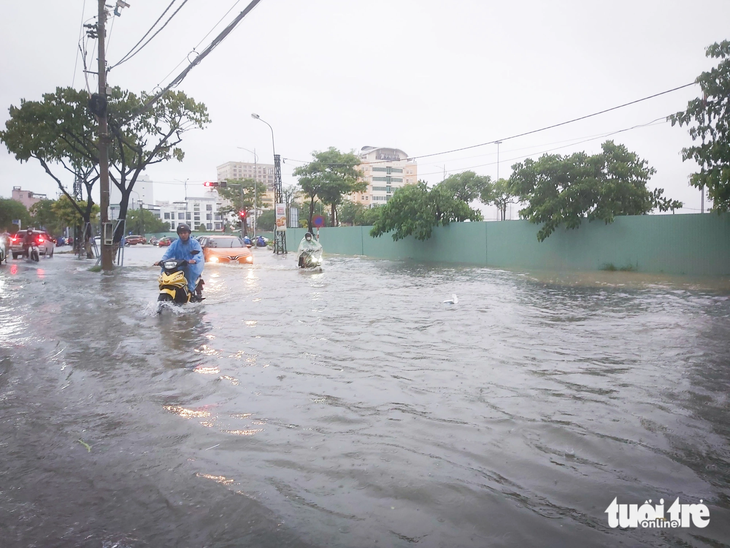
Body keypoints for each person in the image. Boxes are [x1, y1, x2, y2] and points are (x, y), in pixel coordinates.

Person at [156, 224, 205, 297]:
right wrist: (161, 261)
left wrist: (194, 260)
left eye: (185, 233)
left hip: (191, 266)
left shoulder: (194, 243)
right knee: (165, 269)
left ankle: (190, 291)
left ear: (189, 233)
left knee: (188, 271)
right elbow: (168, 253)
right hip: (178, 265)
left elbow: (199, 254)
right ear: (178, 234)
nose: (183, 235)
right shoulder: (175, 244)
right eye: (181, 233)